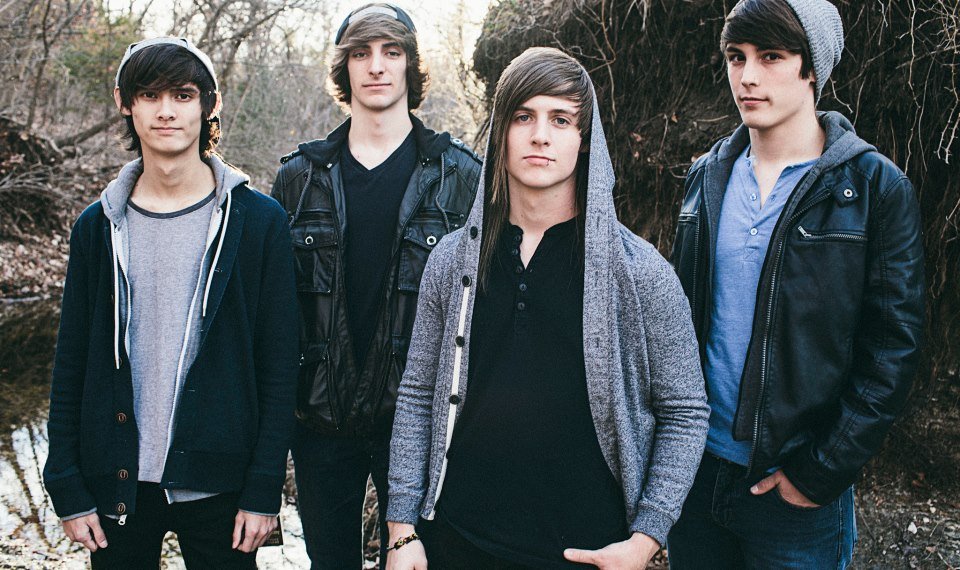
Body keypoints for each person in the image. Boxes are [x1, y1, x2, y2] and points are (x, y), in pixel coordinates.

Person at [385, 46, 709, 570]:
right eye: (523, 117)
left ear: (584, 140)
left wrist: (646, 537)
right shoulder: (451, 262)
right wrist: (402, 531)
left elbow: (685, 410)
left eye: (560, 119)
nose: (540, 135)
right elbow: (419, 393)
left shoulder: (639, 273)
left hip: (586, 551)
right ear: (500, 133)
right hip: (456, 542)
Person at [667, 1, 925, 567]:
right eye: (736, 57)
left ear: (812, 69)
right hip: (697, 475)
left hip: (794, 493)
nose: (747, 76)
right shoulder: (705, 177)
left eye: (771, 57)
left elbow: (894, 348)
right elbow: (677, 324)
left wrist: (819, 470)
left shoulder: (873, 187)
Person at [42, 37, 299, 568]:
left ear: (210, 104)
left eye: (182, 95)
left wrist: (263, 488)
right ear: (125, 103)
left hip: (222, 484)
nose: (166, 111)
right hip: (117, 483)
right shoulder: (98, 226)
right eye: (149, 95)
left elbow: (279, 367)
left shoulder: (258, 222)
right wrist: (65, 483)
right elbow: (71, 363)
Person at [269, 4, 481, 568]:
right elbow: (276, 317)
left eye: (391, 51)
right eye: (361, 54)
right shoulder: (298, 178)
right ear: (344, 69)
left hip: (418, 428)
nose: (377, 66)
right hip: (320, 424)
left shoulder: (462, 177)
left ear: (411, 64)